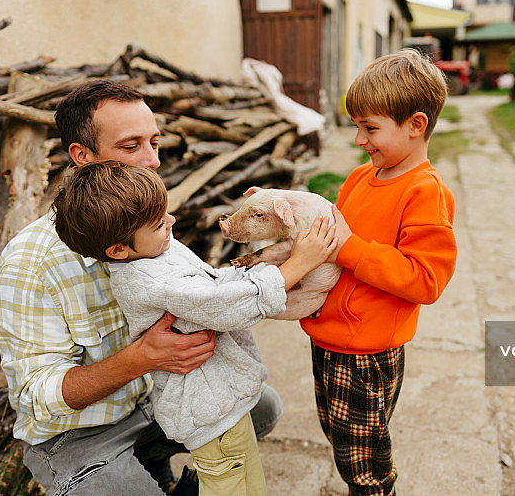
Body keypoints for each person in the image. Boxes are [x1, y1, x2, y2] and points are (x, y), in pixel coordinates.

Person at [0, 80, 283, 495]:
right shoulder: (30, 263)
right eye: (131, 146)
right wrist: (141, 358)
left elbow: (202, 288)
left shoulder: (145, 216)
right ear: (82, 156)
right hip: (81, 434)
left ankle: (153, 458)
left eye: (154, 142)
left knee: (263, 408)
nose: (152, 161)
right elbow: (37, 395)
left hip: (153, 400)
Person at [51, 161, 336, 495]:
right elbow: (221, 304)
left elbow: (212, 281)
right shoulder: (147, 279)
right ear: (118, 250)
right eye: (159, 223)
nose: (171, 221)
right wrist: (296, 266)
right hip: (209, 411)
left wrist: (264, 273)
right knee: (230, 483)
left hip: (221, 402)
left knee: (246, 479)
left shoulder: (155, 254)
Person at [300, 49, 458, 495]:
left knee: (364, 463)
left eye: (370, 128)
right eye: (357, 127)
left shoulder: (424, 193)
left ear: (416, 124)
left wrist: (351, 249)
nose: (358, 140)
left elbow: (425, 279)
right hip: (328, 339)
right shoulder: (357, 179)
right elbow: (326, 237)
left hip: (367, 354)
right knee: (340, 440)